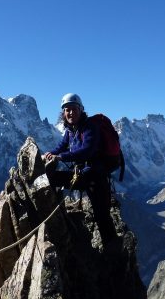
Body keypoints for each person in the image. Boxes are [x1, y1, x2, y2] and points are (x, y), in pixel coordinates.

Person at [44, 93, 116, 244]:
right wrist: (51, 154)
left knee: (102, 216)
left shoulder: (90, 127)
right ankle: (112, 250)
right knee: (52, 178)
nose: (70, 113)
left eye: (74, 109)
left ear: (81, 110)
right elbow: (62, 146)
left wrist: (61, 157)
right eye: (67, 110)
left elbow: (86, 151)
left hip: (95, 177)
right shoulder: (71, 130)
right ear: (63, 113)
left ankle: (114, 252)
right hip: (84, 175)